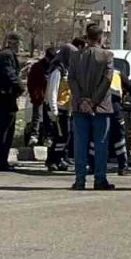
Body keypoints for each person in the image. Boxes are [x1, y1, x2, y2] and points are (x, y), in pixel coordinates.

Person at [68, 23, 116, 191]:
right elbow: (107, 80)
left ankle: (80, 180)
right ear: (101, 37)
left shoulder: (75, 56)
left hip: (79, 107)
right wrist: (93, 102)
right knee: (101, 144)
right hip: (101, 108)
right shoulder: (107, 56)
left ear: (86, 37)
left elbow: (71, 79)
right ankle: (100, 179)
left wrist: (82, 100)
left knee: (80, 144)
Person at [0, 33, 25, 171]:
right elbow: (9, 75)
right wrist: (20, 87)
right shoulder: (6, 56)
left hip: (5, 97)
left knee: (6, 130)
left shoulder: (6, 55)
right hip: (4, 98)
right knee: (4, 131)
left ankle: (1, 160)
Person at [44, 41, 79, 172]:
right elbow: (53, 90)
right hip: (57, 108)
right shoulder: (57, 70)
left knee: (65, 135)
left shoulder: (67, 69)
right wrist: (54, 109)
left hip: (66, 109)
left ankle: (59, 159)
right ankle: (52, 160)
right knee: (57, 135)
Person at [24, 47, 55, 147]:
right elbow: (31, 82)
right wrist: (34, 94)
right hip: (39, 96)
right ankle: (34, 136)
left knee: (48, 118)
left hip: (49, 97)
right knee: (37, 116)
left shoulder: (53, 68)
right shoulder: (37, 67)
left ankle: (48, 136)